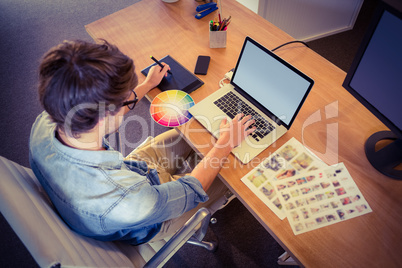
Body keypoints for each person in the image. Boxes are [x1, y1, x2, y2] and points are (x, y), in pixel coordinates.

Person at [29, 40, 255, 245]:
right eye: (125, 98)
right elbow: (190, 190)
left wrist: (147, 85)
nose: (130, 97)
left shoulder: (46, 122)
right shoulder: (130, 199)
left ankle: (213, 152)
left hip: (129, 174)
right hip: (150, 215)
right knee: (234, 167)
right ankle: (221, 189)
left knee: (194, 131)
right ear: (105, 115)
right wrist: (224, 146)